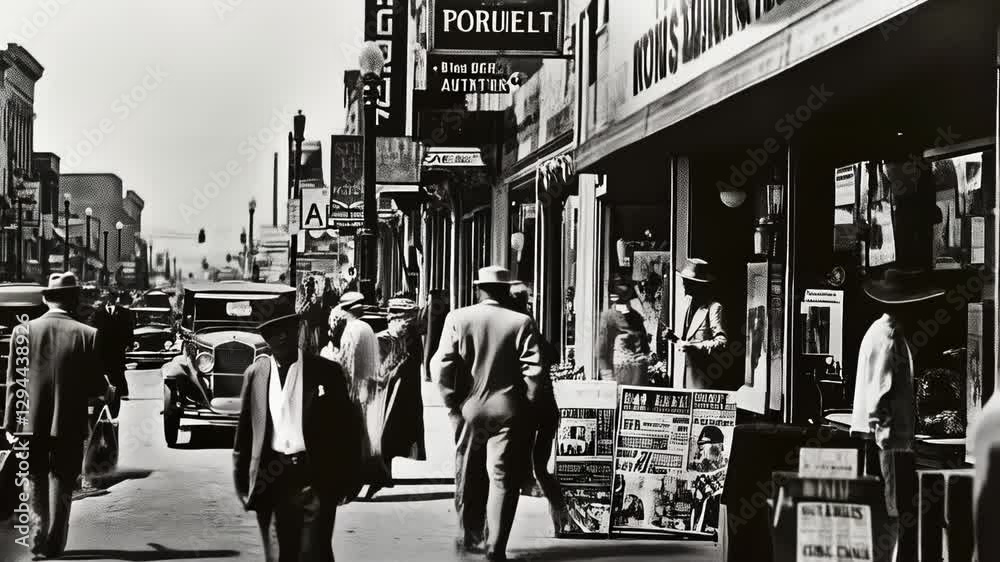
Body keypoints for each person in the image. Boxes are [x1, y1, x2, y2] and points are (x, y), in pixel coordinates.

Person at [431, 266, 544, 560]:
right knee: (502, 477)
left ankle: (469, 535)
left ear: (479, 289)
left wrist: (450, 402)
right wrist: (529, 405)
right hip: (507, 408)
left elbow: (441, 364)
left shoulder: (458, 317)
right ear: (506, 291)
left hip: (471, 407)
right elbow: (534, 372)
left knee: (467, 471)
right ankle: (496, 544)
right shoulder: (521, 322)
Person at [233, 313, 361, 562]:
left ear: (299, 331)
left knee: (314, 552)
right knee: (279, 554)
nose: (282, 337)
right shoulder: (256, 374)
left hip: (315, 479)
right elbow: (245, 434)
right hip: (271, 479)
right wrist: (243, 484)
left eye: (288, 330)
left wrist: (348, 480)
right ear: (266, 339)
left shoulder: (326, 372)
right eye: (274, 332)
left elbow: (348, 429)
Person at [3, 272, 107, 558]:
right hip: (68, 424)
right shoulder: (88, 335)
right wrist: (105, 389)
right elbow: (96, 386)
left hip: (29, 423)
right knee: (62, 483)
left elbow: (15, 383)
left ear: (47, 299)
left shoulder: (21, 332)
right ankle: (55, 544)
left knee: (34, 480)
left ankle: (36, 540)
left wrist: (9, 424)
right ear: (73, 300)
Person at [850, 268, 942, 562]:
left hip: (885, 442)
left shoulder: (877, 331)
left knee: (889, 514)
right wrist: (888, 444)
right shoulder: (889, 338)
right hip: (890, 444)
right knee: (895, 514)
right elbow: (880, 400)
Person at [507, 282, 565, 535]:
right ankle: (560, 518)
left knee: (510, 469)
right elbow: (552, 355)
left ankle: (493, 529)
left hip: (528, 412)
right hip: (543, 410)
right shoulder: (529, 326)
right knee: (538, 467)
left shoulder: (517, 327)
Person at [320, 291, 390, 498]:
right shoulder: (366, 328)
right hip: (369, 387)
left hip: (356, 391)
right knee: (368, 437)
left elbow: (345, 364)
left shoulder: (351, 330)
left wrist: (329, 353)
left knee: (356, 440)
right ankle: (376, 476)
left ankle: (356, 482)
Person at [373, 297, 427, 498]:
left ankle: (383, 474)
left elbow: (385, 370)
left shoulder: (390, 340)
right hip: (399, 395)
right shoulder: (403, 339)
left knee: (387, 433)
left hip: (395, 395)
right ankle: (384, 474)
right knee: (390, 435)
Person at [670, 258, 728, 390]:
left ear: (699, 285)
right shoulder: (685, 304)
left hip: (700, 378)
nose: (684, 284)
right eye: (684, 280)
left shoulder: (714, 307)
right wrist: (671, 336)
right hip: (680, 376)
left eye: (688, 282)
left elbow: (722, 342)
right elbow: (683, 338)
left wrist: (696, 347)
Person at [597, 276, 650, 385]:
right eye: (620, 285)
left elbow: (644, 347)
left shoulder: (636, 317)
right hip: (619, 377)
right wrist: (609, 381)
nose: (624, 289)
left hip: (639, 377)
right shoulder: (609, 318)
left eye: (626, 286)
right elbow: (601, 352)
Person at [91, 288, 134, 414]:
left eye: (114, 298)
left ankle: (120, 393)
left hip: (117, 348)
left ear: (117, 299)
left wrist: (129, 343)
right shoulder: (98, 313)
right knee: (105, 371)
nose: (111, 300)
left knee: (118, 371)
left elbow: (129, 328)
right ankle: (106, 393)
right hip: (103, 348)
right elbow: (93, 329)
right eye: (110, 298)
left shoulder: (124, 312)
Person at [418, 289, 450, 382]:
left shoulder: (428, 307)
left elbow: (421, 326)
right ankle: (429, 372)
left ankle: (427, 372)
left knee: (429, 349)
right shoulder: (440, 307)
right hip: (436, 334)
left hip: (430, 336)